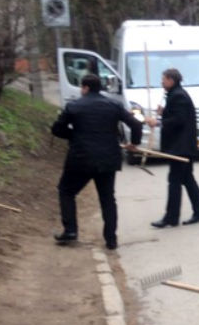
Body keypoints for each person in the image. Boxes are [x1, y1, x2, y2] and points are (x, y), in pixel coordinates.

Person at [51, 74, 143, 250]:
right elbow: (136, 124)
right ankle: (111, 239)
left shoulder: (74, 106)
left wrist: (74, 135)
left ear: (85, 88)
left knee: (66, 191)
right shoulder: (114, 105)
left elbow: (56, 129)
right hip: (108, 158)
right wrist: (134, 143)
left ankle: (70, 230)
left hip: (80, 158)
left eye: (81, 88)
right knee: (107, 198)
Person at [148, 68, 199, 228]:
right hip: (183, 146)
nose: (161, 82)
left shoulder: (178, 96)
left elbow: (179, 120)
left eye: (164, 79)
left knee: (174, 181)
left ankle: (171, 217)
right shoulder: (176, 95)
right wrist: (164, 112)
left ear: (171, 80)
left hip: (181, 147)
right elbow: (175, 115)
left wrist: (158, 121)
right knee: (187, 179)